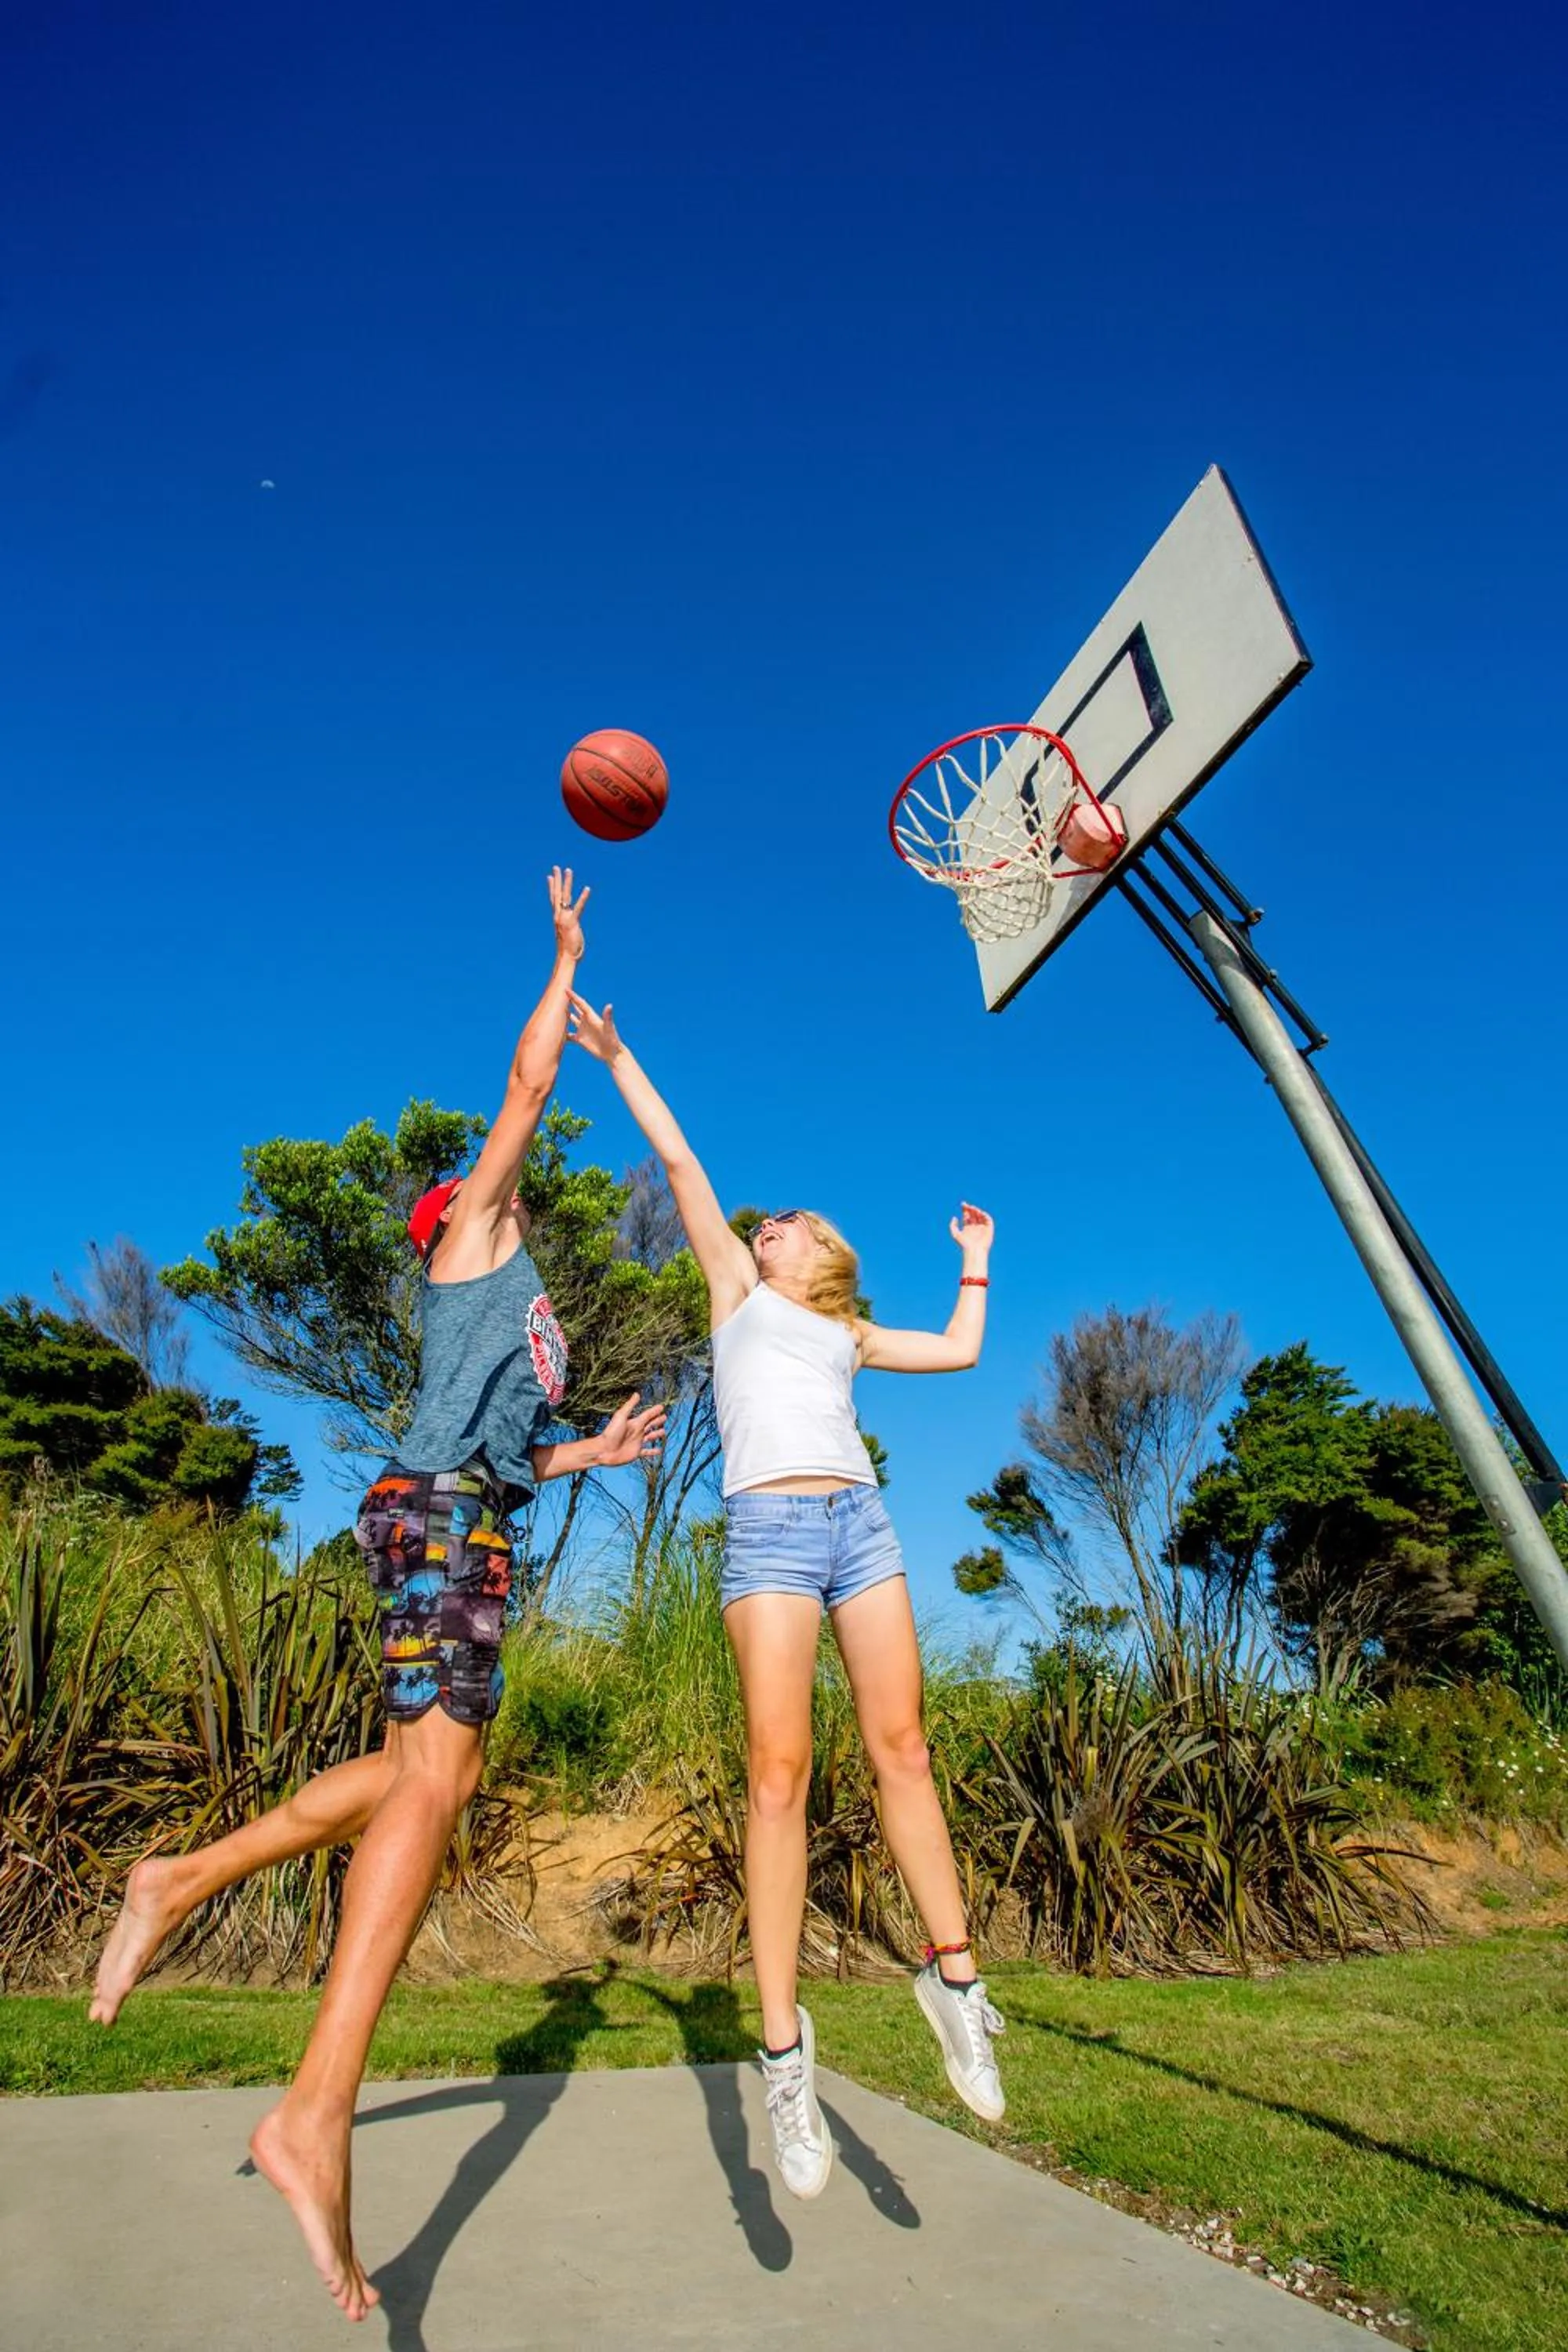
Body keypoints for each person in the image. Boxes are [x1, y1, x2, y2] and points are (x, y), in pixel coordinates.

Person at [89, 871, 666, 2322]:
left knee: (412, 1775)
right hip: (439, 1524)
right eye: (484, 1183)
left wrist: (586, 1445)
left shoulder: (518, 1312)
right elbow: (529, 1079)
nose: (504, 1176)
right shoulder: (474, 1239)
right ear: (452, 1222)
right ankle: (315, 2111)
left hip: (454, 1516)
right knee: (434, 1789)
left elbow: (507, 1437)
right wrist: (561, 956)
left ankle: (181, 1879)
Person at [567, 992, 1004, 2202]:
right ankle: (782, 2053)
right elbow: (679, 1157)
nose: (775, 1221)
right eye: (773, 1220)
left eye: (798, 1220)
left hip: (859, 1525)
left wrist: (974, 1264)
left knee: (903, 1748)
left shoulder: (848, 1333)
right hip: (767, 1533)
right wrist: (616, 1053)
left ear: (830, 1260)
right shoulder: (734, 1294)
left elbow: (964, 1351)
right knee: (780, 1776)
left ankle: (955, 1980)